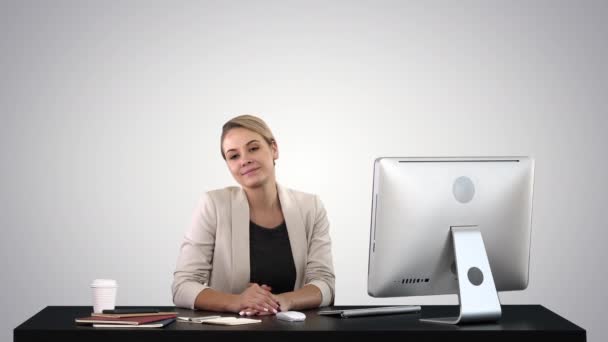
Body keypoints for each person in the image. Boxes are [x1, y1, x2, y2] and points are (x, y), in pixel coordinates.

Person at [172, 115, 335, 316]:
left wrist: (280, 301)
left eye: (253, 148)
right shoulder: (213, 205)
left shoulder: (310, 207)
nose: (245, 160)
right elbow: (183, 286)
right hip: (230, 332)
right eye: (234, 156)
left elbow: (325, 284)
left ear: (274, 149)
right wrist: (237, 301)